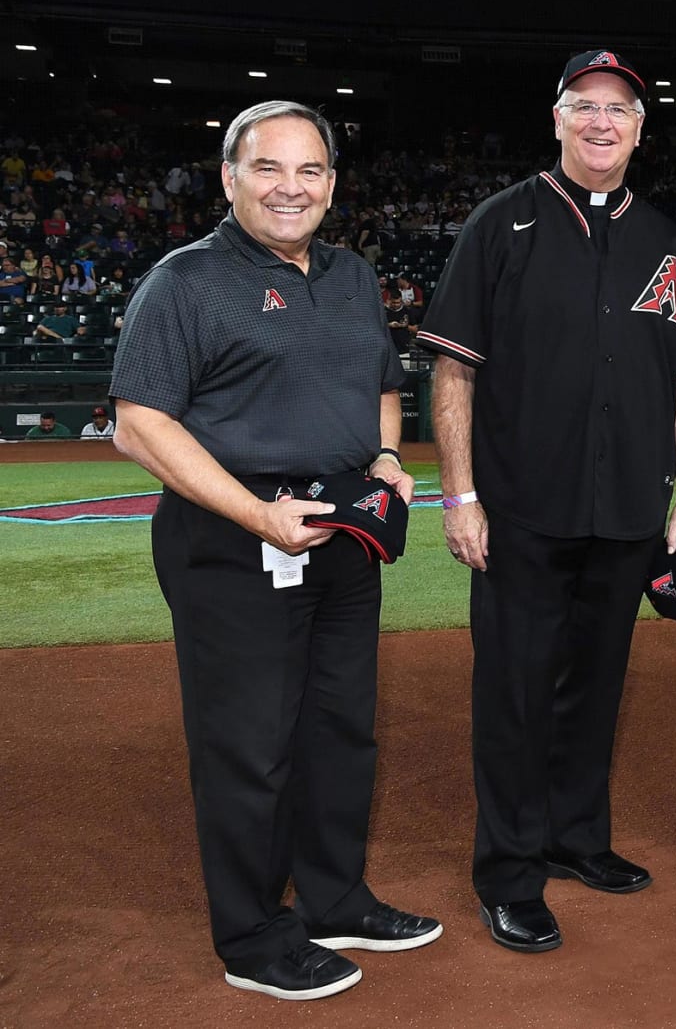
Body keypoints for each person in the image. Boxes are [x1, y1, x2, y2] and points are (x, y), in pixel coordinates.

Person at [110, 101, 438, 1001]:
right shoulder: (185, 281)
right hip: (230, 538)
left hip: (339, 537)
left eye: (310, 171)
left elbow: (382, 385)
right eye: (268, 168)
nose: (289, 188)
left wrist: (381, 457)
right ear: (229, 177)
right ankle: (253, 937)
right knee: (248, 745)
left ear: (333, 183)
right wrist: (256, 515)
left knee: (340, 732)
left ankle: (333, 898)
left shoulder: (355, 276)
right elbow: (138, 425)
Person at [417, 50, 676, 953]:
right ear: (556, 119)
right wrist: (459, 494)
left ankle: (576, 838)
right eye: (584, 105)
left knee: (594, 689)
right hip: (518, 509)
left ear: (639, 130)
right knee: (512, 692)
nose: (600, 121)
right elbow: (452, 366)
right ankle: (509, 873)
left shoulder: (668, 241)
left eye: (618, 109)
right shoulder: (500, 223)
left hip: (627, 510)